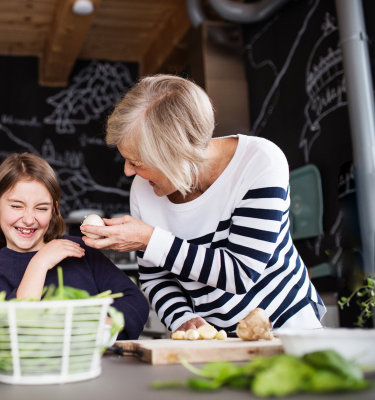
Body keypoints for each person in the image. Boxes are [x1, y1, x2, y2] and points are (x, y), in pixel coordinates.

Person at [80, 75, 325, 333]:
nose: (128, 172)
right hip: (212, 340)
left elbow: (240, 273)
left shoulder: (259, 163)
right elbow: (156, 278)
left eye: (137, 162)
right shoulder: (142, 190)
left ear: (177, 154)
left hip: (285, 327)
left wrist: (149, 239)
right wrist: (182, 318)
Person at [0, 153, 149, 340]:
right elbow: (8, 331)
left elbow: (135, 301)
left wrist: (96, 327)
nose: (28, 219)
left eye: (42, 208)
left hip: (97, 366)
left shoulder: (80, 250)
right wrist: (40, 263)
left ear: (53, 211)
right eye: (17, 206)